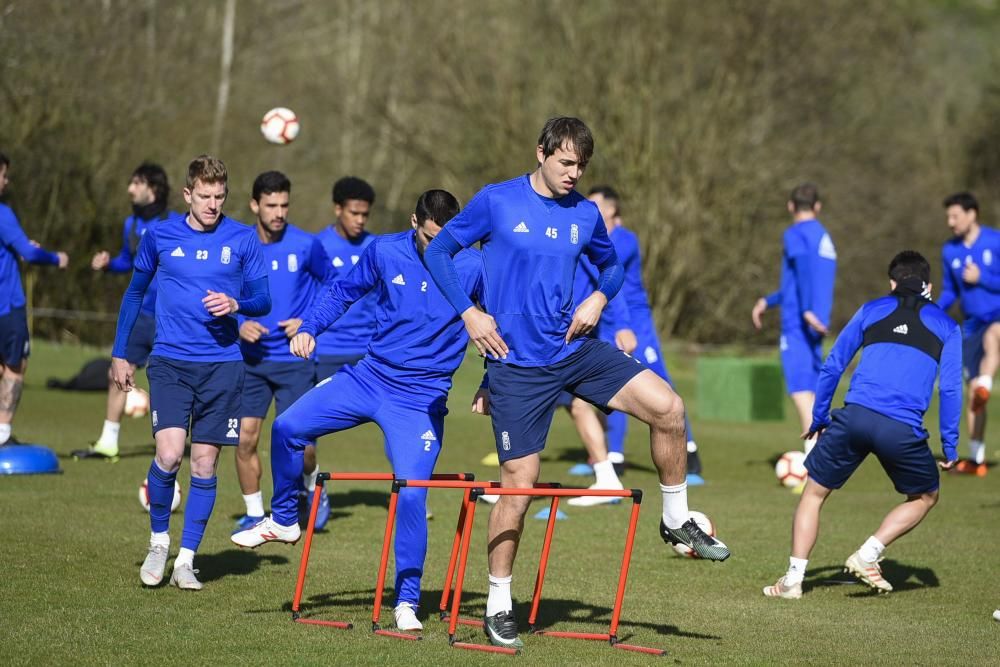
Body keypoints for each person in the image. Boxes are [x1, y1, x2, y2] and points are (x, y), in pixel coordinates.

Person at [423, 117, 729, 650]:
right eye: (566, 161)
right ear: (540, 152)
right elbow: (438, 253)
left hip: (573, 351)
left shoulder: (585, 213)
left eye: (581, 165)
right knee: (519, 489)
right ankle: (498, 605)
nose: (574, 172)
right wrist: (471, 314)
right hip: (515, 366)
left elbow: (612, 271)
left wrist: (598, 299)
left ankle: (677, 517)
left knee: (669, 408)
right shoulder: (497, 201)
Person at [233, 190, 483, 633]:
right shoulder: (384, 251)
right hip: (369, 377)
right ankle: (286, 518)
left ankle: (407, 602)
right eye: (431, 239)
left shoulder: (473, 264)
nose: (440, 249)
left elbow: (500, 323)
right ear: (414, 223)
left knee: (410, 494)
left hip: (421, 398)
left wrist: (489, 383)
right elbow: (342, 291)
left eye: (449, 240)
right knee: (288, 425)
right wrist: (310, 327)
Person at [111, 155, 269, 591]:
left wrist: (237, 304)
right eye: (204, 196)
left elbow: (263, 299)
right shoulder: (159, 235)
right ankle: (159, 542)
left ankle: (187, 559)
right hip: (170, 363)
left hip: (222, 367)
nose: (212, 204)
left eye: (219, 196)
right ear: (187, 194)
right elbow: (134, 292)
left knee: (204, 463)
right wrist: (120, 353)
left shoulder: (242, 238)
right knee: (168, 454)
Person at [763, 251, 960, 599]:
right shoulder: (947, 325)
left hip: (854, 417)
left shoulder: (872, 309)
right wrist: (950, 444)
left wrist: (820, 416)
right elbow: (950, 388)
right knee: (926, 495)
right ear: (929, 286)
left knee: (813, 494)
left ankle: (793, 580)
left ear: (892, 283)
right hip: (901, 429)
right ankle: (868, 554)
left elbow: (834, 364)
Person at [234, 171, 334, 532]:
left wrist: (309, 322)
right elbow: (216, 295)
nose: (279, 212)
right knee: (245, 437)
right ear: (254, 205)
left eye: (284, 205)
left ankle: (313, 487)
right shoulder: (239, 245)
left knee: (303, 447)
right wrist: (238, 324)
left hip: (295, 361)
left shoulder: (307, 245)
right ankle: (254, 513)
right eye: (271, 205)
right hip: (251, 361)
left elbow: (337, 286)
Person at [588, 186, 703, 482]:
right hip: (607, 318)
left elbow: (602, 263)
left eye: (595, 204)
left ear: (612, 210)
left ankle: (688, 450)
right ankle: (613, 456)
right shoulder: (594, 238)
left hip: (635, 321)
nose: (589, 209)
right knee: (609, 383)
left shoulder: (625, 240)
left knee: (660, 382)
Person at [74, 162, 174, 460]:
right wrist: (108, 265)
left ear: (152, 189)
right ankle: (108, 442)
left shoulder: (177, 223)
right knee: (117, 372)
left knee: (169, 380)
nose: (130, 189)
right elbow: (127, 261)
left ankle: (170, 445)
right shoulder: (130, 225)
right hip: (142, 315)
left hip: (172, 318)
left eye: (136, 183)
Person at [752, 183, 837, 454]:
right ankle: (822, 451)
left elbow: (801, 274)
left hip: (799, 322)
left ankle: (814, 458)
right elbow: (798, 283)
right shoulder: (823, 236)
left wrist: (806, 310)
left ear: (791, 206)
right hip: (816, 323)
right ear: (817, 206)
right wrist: (769, 300)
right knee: (812, 390)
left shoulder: (795, 234)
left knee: (800, 389)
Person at [0, 151, 69, 445]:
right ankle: (2, 434)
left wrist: (17, 247)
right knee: (16, 365)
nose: (6, 181)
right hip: (7, 304)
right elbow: (29, 253)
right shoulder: (3, 213)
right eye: (3, 175)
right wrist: (55, 258)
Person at [937, 192, 1000, 476]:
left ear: (972, 214)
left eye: (955, 216)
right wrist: (931, 310)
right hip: (970, 324)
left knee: (994, 336)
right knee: (973, 394)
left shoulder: (995, 241)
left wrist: (982, 278)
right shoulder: (949, 251)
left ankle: (986, 381)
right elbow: (950, 291)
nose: (950, 222)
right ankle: (976, 460)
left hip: (997, 317)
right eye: (948, 217)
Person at [313, 176, 378, 382]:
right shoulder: (316, 246)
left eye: (364, 214)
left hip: (368, 352)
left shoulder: (377, 247)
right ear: (338, 209)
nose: (360, 220)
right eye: (354, 213)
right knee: (323, 414)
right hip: (327, 351)